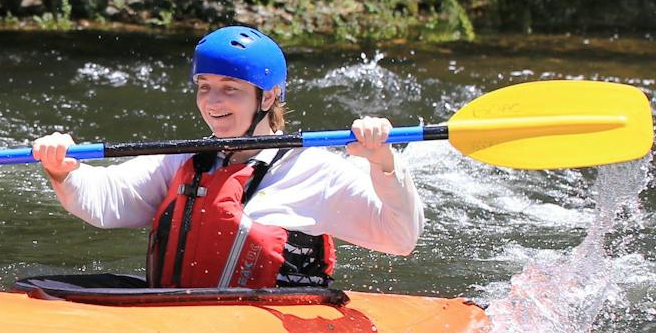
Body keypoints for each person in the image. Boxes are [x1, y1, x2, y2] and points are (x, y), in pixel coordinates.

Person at [30, 25, 421, 289]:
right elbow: (106, 199)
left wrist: (383, 163)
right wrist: (64, 171)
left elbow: (400, 237)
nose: (212, 102)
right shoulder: (186, 160)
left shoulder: (315, 171)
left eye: (230, 88)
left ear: (268, 97)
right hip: (179, 319)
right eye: (204, 86)